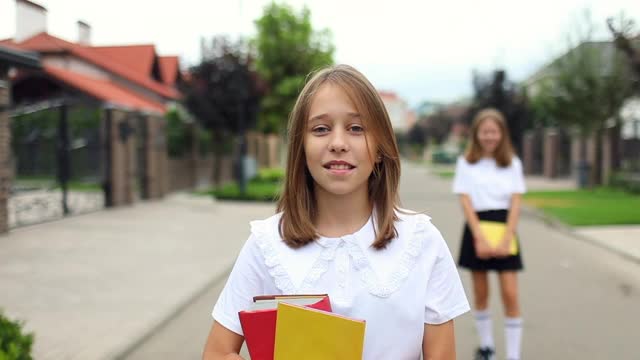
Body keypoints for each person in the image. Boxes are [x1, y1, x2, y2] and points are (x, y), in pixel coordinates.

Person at [202, 64, 470, 360]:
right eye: (320, 129)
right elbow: (217, 352)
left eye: (356, 128)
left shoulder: (422, 241)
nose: (338, 143)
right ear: (301, 147)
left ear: (380, 147)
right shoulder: (266, 244)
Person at [452, 108, 526, 360]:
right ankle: (487, 348)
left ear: (502, 134)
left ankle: (514, 355)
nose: (490, 136)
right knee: (481, 294)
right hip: (477, 228)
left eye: (494, 132)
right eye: (485, 132)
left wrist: (508, 237)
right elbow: (465, 201)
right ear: (477, 134)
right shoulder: (466, 162)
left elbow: (516, 202)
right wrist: (479, 237)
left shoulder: (512, 163)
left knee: (510, 294)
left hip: (504, 226)